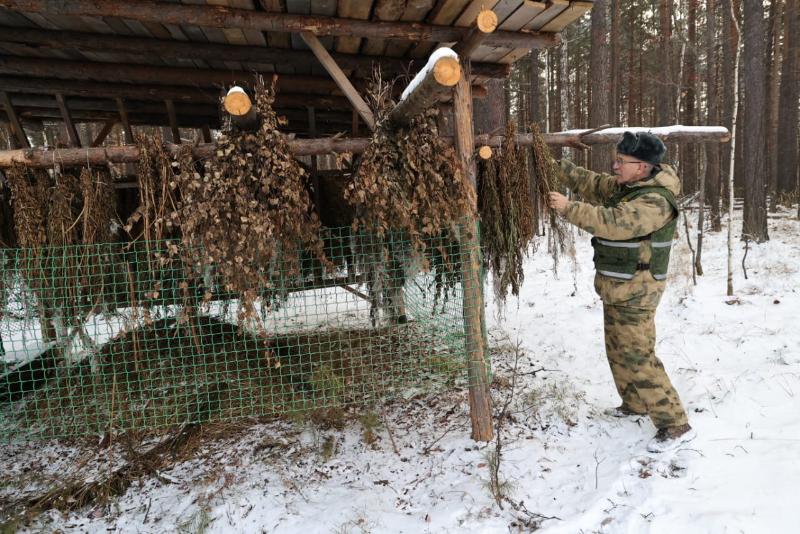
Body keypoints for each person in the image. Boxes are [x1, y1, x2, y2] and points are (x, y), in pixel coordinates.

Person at [547, 131, 695, 453]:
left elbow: (614, 222)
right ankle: (634, 404)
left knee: (639, 355)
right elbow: (595, 184)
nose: (614, 166)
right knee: (617, 349)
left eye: (621, 162)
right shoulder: (630, 186)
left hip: (638, 292)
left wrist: (568, 208)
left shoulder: (654, 201)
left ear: (642, 167)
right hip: (618, 287)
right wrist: (558, 166)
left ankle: (674, 422)